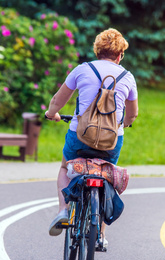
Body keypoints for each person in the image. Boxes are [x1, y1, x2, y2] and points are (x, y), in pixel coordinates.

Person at [45, 28, 138, 246]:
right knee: (106, 175)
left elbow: (58, 100)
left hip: (79, 135)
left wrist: (52, 114)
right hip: (112, 141)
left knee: (64, 167)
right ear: (119, 55)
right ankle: (101, 235)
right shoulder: (128, 77)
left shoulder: (82, 69)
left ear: (97, 51)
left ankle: (63, 211)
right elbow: (132, 114)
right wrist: (123, 124)